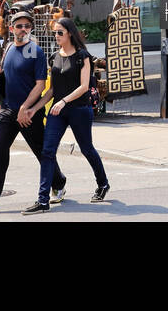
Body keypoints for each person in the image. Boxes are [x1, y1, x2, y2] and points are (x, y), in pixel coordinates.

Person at [0, 12, 68, 213]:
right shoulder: (9, 47)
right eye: (19, 26)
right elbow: (8, 71)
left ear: (31, 29)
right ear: (12, 29)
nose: (23, 29)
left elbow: (40, 85)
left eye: (27, 26)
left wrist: (25, 108)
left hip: (29, 114)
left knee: (42, 152)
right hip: (7, 111)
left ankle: (59, 183)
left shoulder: (36, 52)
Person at [25, 18, 110, 213]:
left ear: (70, 33)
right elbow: (51, 91)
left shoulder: (82, 56)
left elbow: (84, 87)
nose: (56, 36)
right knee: (47, 152)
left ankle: (103, 183)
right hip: (57, 111)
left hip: (79, 109)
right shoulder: (54, 56)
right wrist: (35, 108)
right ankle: (43, 200)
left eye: (60, 32)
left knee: (87, 149)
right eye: (55, 32)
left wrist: (64, 101)